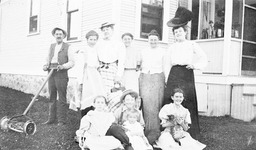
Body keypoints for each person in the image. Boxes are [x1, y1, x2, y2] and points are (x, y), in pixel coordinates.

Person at [164, 7, 208, 139]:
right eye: (176, 32)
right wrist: (167, 78)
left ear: (185, 32)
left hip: (186, 73)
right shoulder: (171, 47)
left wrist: (195, 65)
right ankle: (170, 131)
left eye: (180, 31)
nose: (178, 33)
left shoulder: (192, 44)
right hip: (174, 73)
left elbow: (204, 58)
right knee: (171, 100)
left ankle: (189, 131)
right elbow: (167, 64)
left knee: (187, 101)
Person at [42, 27, 75, 126]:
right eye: (57, 34)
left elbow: (72, 62)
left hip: (61, 72)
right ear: (54, 35)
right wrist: (45, 65)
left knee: (61, 97)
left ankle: (61, 120)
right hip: (50, 72)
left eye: (61, 34)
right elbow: (47, 59)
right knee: (52, 96)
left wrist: (63, 66)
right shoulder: (51, 46)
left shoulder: (68, 46)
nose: (59, 36)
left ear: (64, 36)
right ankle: (51, 119)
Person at [138, 29, 166, 135]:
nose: (153, 42)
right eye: (151, 40)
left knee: (156, 103)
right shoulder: (143, 51)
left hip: (158, 77)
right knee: (145, 102)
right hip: (145, 77)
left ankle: (155, 129)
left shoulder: (162, 51)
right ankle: (145, 127)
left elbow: (165, 66)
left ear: (158, 40)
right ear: (148, 40)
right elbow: (139, 65)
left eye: (155, 40)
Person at [76, 30, 106, 117]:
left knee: (96, 97)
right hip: (86, 76)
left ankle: (94, 119)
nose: (92, 41)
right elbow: (80, 67)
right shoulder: (83, 51)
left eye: (94, 39)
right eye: (90, 39)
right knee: (86, 97)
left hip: (95, 76)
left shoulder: (97, 50)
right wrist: (80, 81)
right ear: (87, 40)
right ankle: (84, 119)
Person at [97, 22, 126, 93]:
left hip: (113, 69)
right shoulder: (99, 43)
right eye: (103, 30)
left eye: (107, 29)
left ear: (112, 30)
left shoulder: (119, 44)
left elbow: (122, 61)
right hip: (101, 69)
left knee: (113, 92)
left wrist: (119, 75)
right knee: (100, 91)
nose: (105, 31)